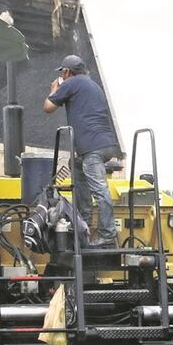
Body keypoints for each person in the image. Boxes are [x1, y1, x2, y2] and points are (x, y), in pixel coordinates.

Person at [43, 54, 122, 247]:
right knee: (76, 166)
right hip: (104, 145)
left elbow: (48, 107)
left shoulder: (71, 83)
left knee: (99, 189)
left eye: (62, 72)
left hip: (93, 147)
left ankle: (107, 234)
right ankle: (83, 223)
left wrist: (54, 89)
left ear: (67, 72)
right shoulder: (92, 85)